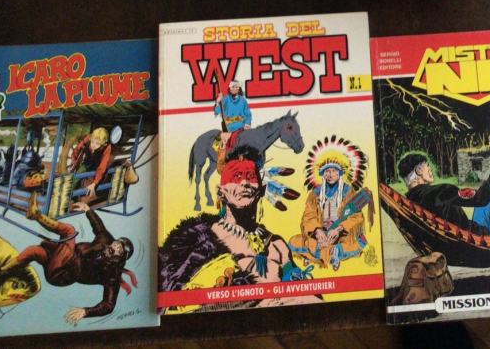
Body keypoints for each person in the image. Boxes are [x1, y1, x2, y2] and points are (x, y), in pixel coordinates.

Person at [158, 146, 313, 303]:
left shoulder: (277, 245)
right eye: (236, 176)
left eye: (251, 176)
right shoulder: (196, 239)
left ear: (261, 190)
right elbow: (172, 298)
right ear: (220, 192)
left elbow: (304, 296)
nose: (244, 182)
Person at [0, 200, 136, 325]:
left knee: (69, 231)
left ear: (121, 257)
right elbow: (99, 227)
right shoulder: (106, 240)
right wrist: (88, 210)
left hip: (63, 274)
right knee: (33, 251)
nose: (114, 247)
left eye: (119, 249)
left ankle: (36, 215)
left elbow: (108, 305)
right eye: (117, 243)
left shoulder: (112, 275)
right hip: (61, 259)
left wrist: (86, 312)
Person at [289, 139, 374, 270]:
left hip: (342, 235)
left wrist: (339, 229)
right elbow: (308, 216)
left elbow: (356, 217)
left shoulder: (348, 191)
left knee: (356, 244)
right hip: (320, 235)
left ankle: (323, 253)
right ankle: (330, 253)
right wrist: (317, 231)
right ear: (322, 174)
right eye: (327, 171)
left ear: (340, 173)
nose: (330, 174)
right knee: (294, 241)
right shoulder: (315, 193)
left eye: (334, 171)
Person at [214, 80, 253, 172]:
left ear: (239, 89)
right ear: (230, 88)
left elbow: (248, 114)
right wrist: (218, 102)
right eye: (233, 87)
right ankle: (221, 163)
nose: (235, 89)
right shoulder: (225, 99)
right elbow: (217, 111)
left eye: (236, 87)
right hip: (229, 127)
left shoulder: (243, 100)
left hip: (241, 127)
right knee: (220, 143)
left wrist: (247, 123)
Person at [69, 127, 113, 203]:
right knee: (79, 174)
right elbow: (77, 149)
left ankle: (101, 194)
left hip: (98, 163)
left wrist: (94, 183)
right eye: (92, 142)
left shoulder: (107, 148)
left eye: (97, 143)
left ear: (103, 144)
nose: (93, 145)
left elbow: (102, 166)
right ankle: (71, 195)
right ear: (91, 139)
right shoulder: (87, 139)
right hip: (88, 160)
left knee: (100, 182)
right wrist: (74, 160)